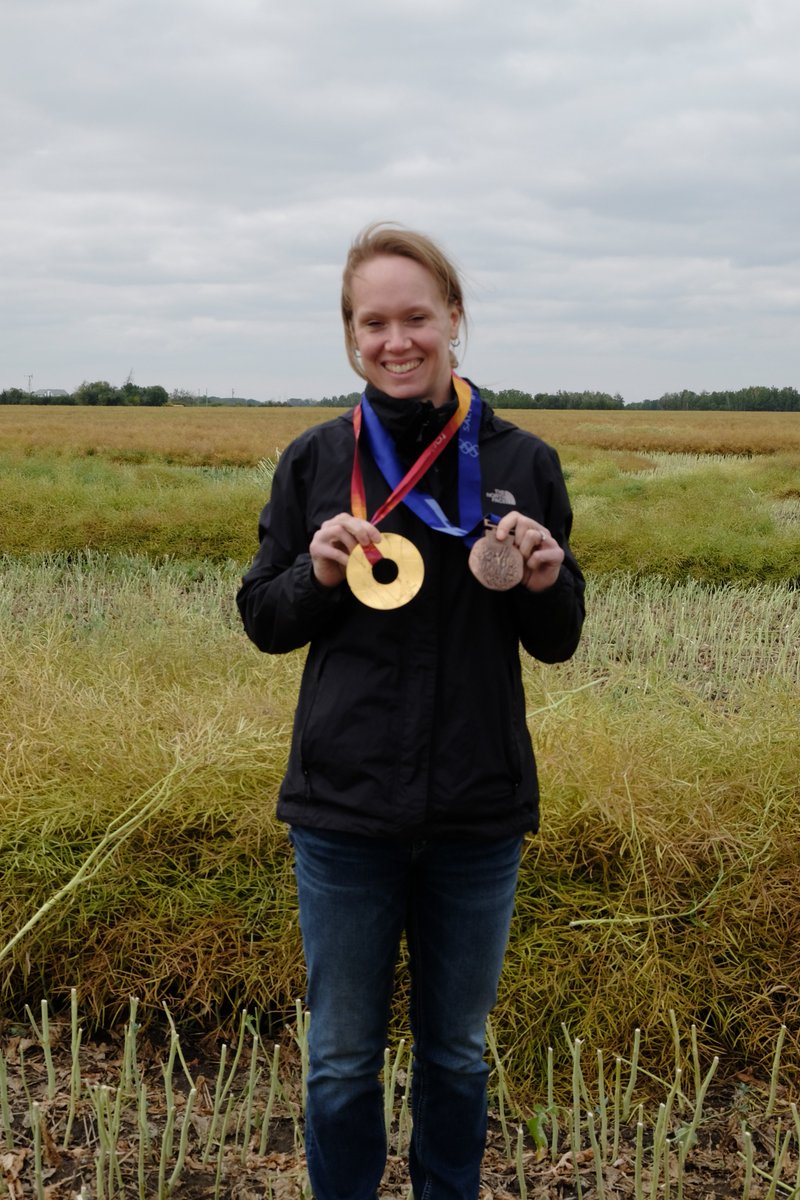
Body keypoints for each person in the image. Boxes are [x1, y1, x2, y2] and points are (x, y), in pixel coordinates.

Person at [236, 222, 585, 1200]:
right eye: (374, 323)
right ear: (351, 335)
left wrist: (544, 581)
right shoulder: (315, 460)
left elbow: (557, 639)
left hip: (478, 813)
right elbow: (263, 620)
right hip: (342, 813)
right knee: (341, 1057)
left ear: (454, 319)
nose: (397, 341)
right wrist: (312, 575)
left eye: (416, 318)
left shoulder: (523, 460)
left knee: (458, 1055)